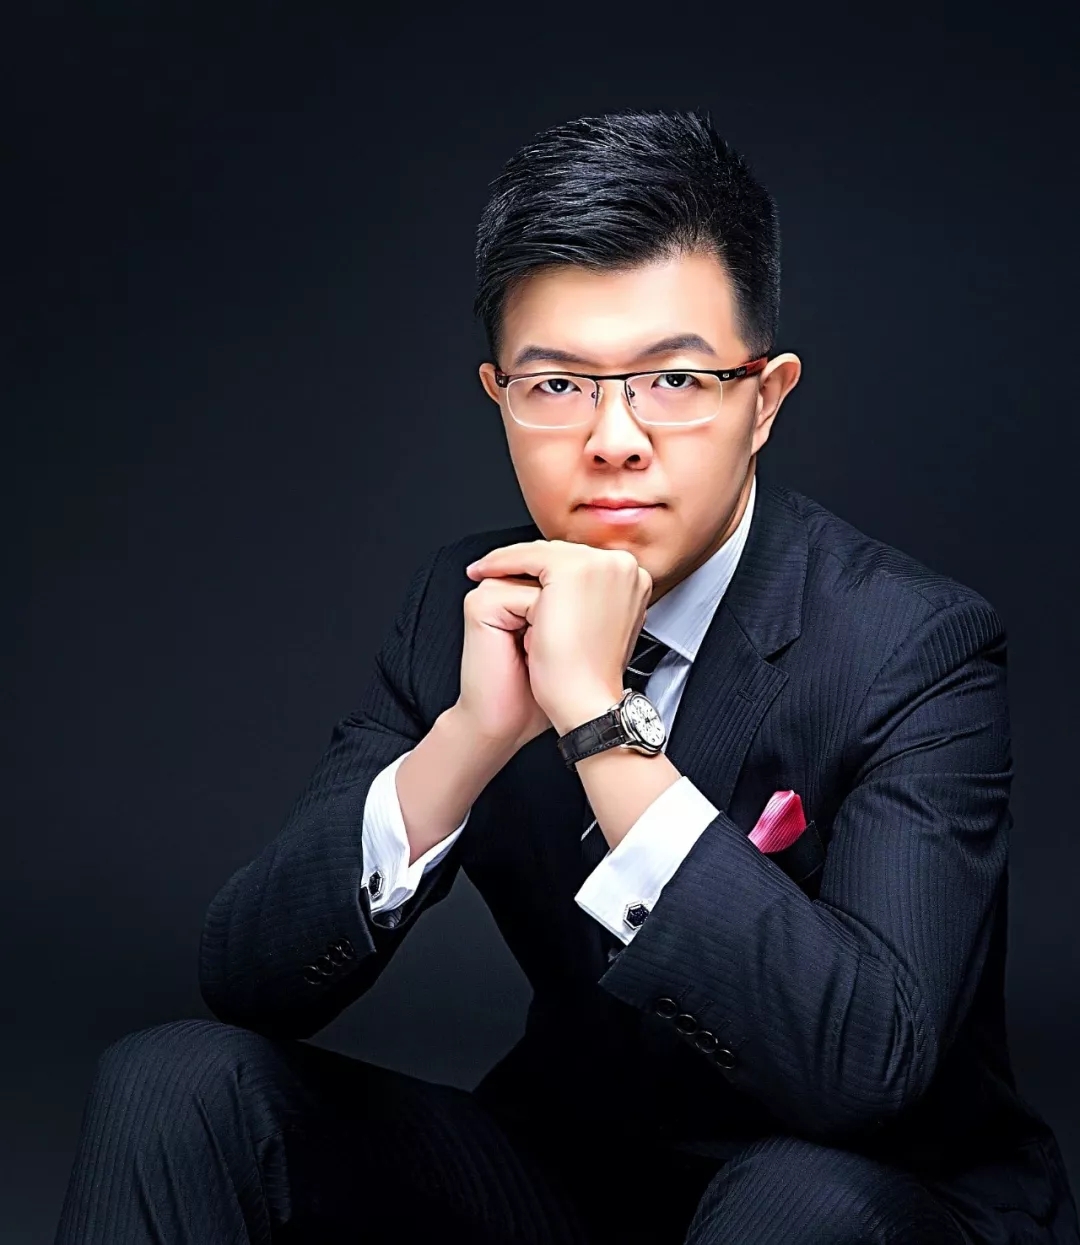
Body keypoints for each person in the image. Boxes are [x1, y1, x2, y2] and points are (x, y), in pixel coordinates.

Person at [55, 110, 1078, 1245]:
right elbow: (250, 980)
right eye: (556, 386)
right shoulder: (469, 600)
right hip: (578, 1176)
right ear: (497, 396)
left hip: (866, 1193)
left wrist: (597, 721)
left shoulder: (911, 643)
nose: (615, 438)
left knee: (794, 1207)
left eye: (676, 379)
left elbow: (865, 1067)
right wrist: (469, 738)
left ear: (765, 399)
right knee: (176, 1084)